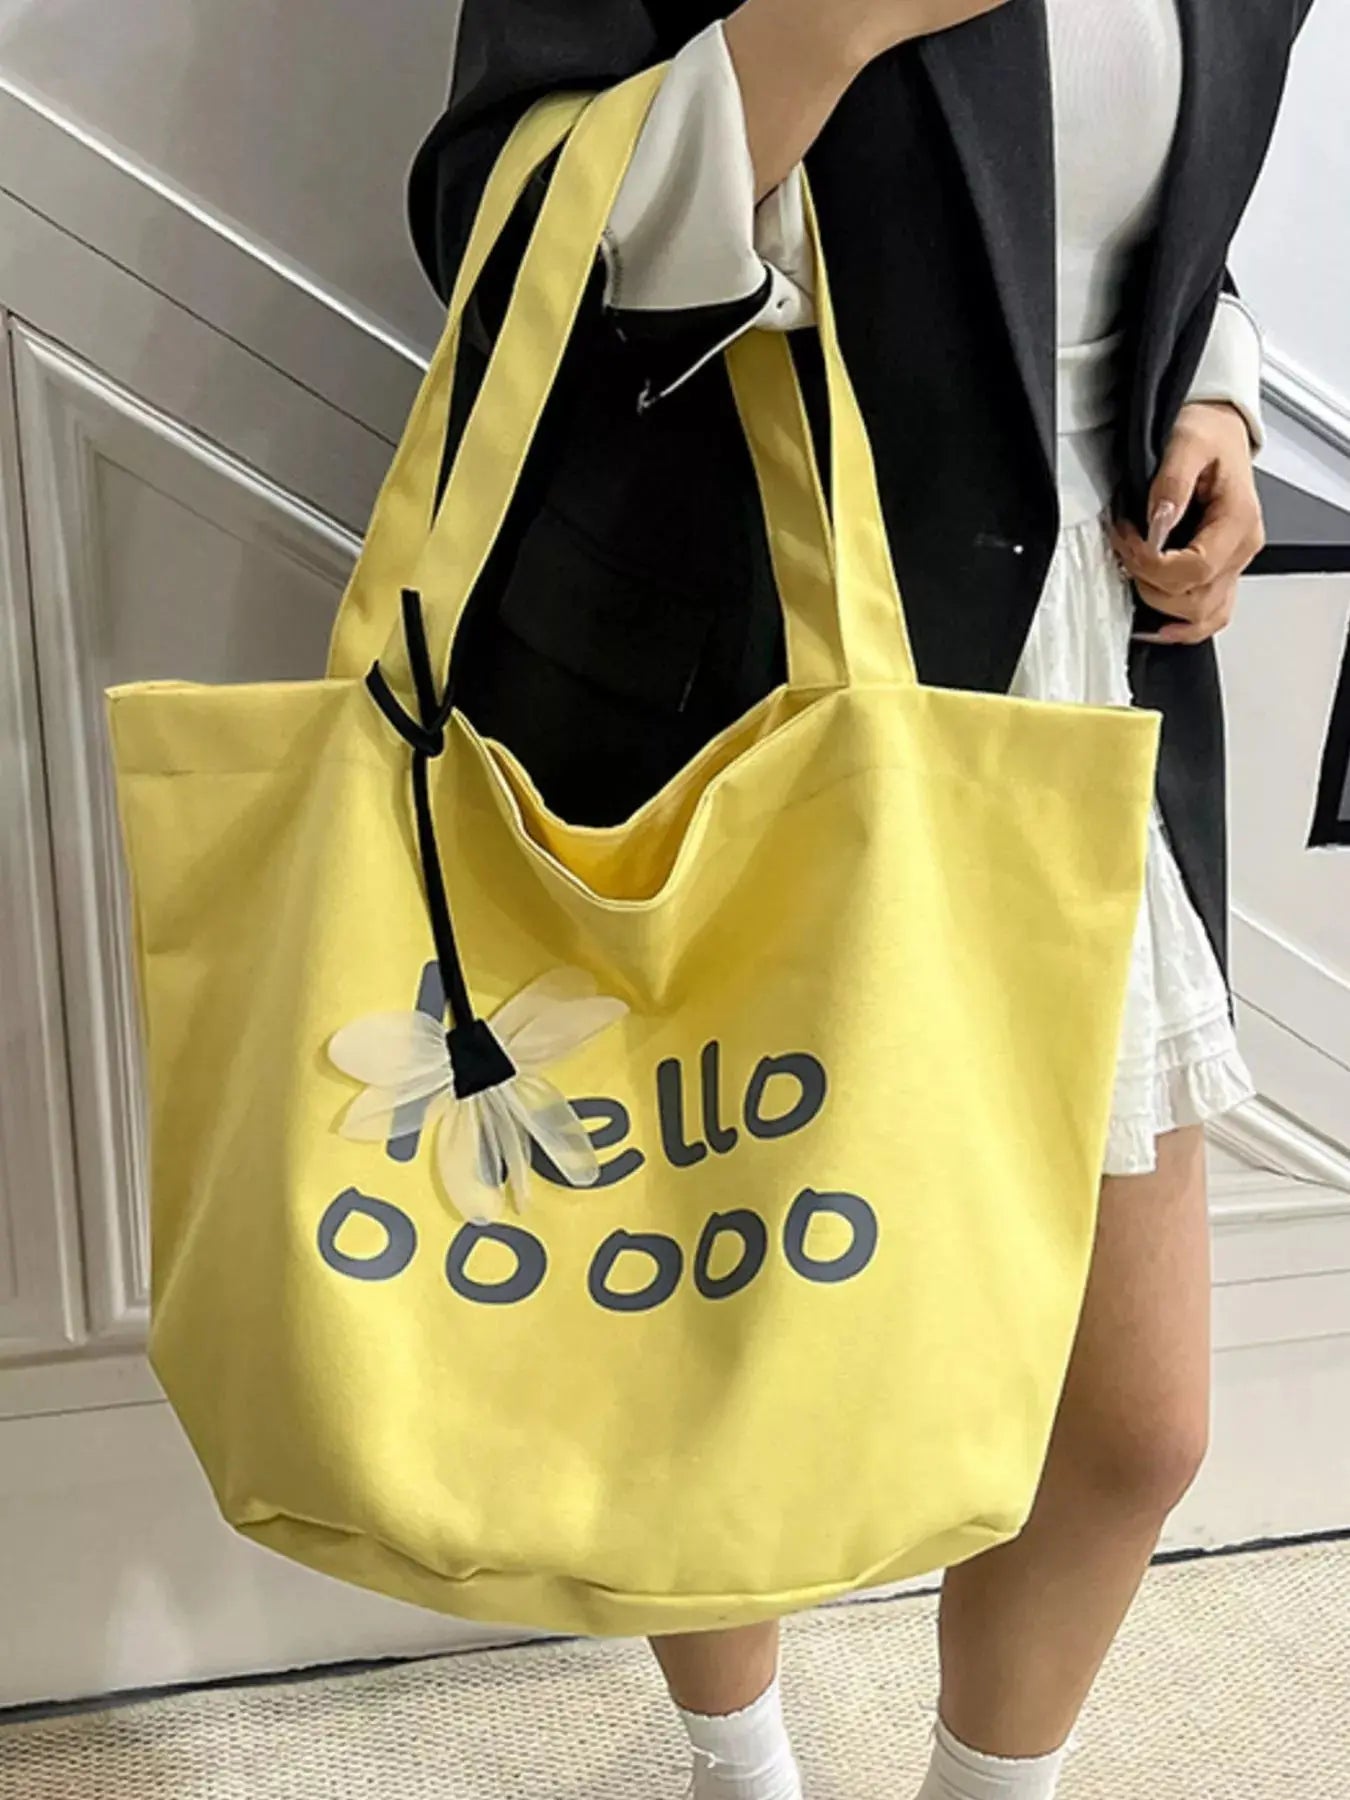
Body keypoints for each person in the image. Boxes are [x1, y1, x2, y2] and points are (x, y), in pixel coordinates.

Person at [407, 3, 1317, 1795]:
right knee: (713, 1343)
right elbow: (497, 232)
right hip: (737, 655)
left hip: (1082, 668)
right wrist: (817, 30)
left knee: (1129, 1428)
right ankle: (738, 1771)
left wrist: (1209, 388)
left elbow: (1130, 203)